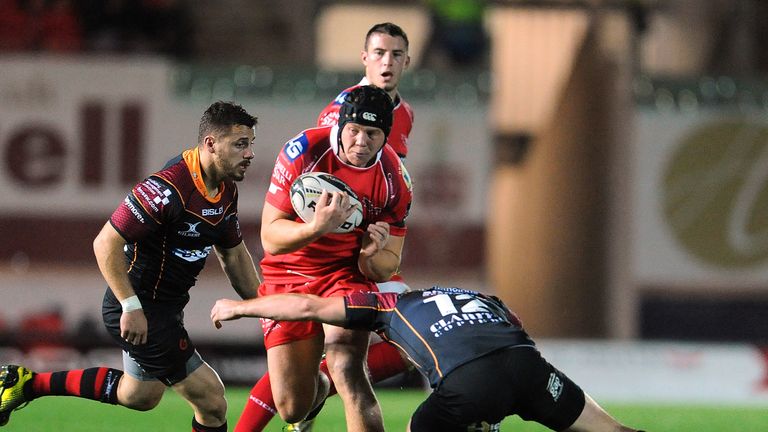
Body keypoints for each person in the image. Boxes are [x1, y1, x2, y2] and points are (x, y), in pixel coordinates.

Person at [0, 101, 262, 431]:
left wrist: (265, 307)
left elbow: (234, 255)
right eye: (240, 144)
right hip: (142, 311)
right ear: (210, 143)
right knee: (212, 402)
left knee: (139, 395)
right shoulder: (166, 189)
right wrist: (131, 305)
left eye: (250, 144)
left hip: (165, 309)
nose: (250, 153)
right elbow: (105, 243)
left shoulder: (225, 190)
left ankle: (26, 384)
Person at [235, 22, 415, 432]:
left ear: (386, 134)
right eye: (353, 131)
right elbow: (270, 240)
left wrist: (374, 256)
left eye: (372, 134)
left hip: (346, 269)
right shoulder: (305, 150)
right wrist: (316, 227)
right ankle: (307, 398)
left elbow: (388, 263)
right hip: (292, 268)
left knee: (351, 365)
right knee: (292, 407)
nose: (360, 142)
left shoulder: (397, 178)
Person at [211, 286, 646, 432]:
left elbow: (307, 307)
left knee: (418, 426)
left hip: (469, 383)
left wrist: (241, 307)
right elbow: (521, 337)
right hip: (529, 366)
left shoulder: (385, 304)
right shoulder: (478, 295)